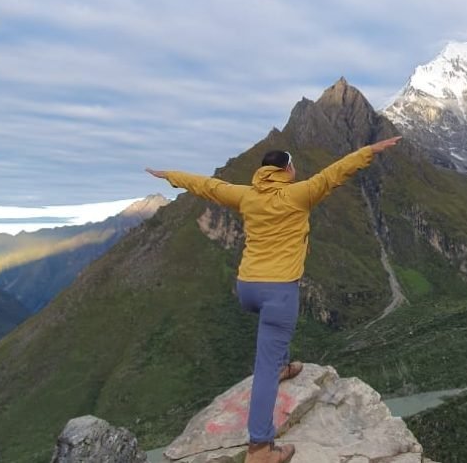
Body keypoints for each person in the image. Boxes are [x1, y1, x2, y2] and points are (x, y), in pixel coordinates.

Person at [146, 136, 402, 463]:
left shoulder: (245, 195)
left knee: (274, 345)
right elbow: (337, 173)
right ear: (287, 169)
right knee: (264, 368)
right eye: (292, 165)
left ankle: (282, 366)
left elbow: (205, 186)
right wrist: (372, 151)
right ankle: (260, 449)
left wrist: (168, 175)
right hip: (279, 290)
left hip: (247, 288)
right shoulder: (300, 193)